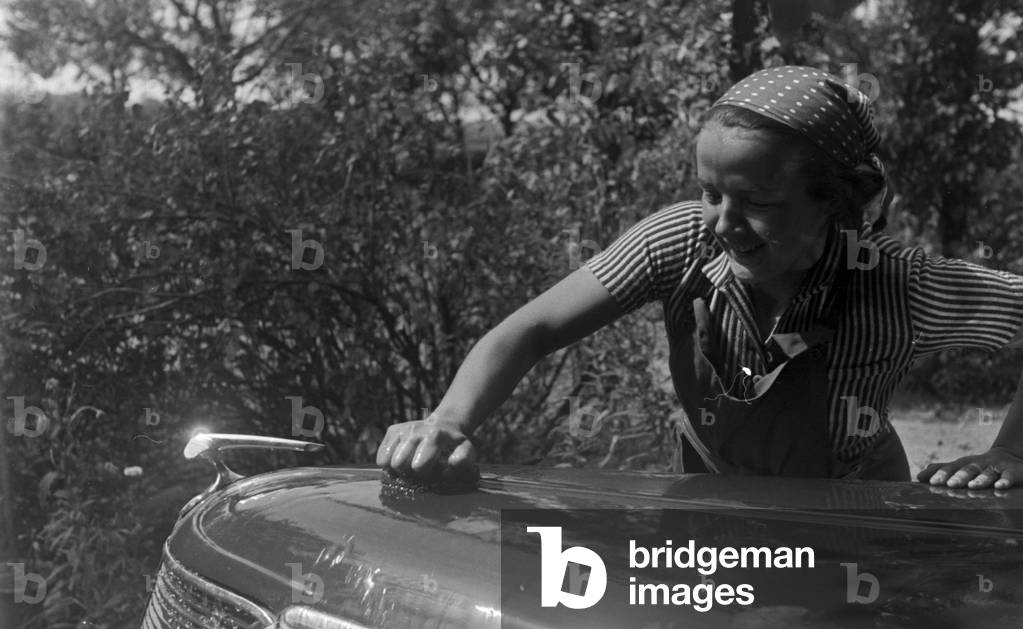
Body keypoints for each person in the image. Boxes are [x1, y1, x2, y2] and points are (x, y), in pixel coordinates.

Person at [376, 65, 1023, 489]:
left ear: (834, 198)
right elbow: (531, 328)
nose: (722, 223)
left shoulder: (894, 284)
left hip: (852, 514)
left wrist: (1008, 451)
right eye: (710, 192)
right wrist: (450, 421)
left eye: (757, 203)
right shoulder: (678, 241)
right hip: (709, 500)